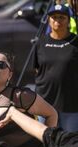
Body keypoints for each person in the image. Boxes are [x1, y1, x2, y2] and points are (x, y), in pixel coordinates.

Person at [35, 3, 78, 132]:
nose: (57, 21)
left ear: (68, 20)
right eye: (54, 17)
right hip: (45, 105)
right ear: (49, 20)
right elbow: (36, 70)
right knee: (45, 143)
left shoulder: (76, 42)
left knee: (70, 145)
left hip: (71, 105)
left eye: (62, 17)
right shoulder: (40, 42)